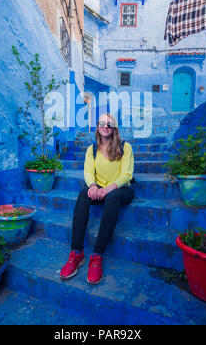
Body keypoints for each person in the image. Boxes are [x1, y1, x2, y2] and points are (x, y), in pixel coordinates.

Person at [60, 113, 135, 285]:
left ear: (114, 128)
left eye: (109, 124)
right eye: (102, 123)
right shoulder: (91, 149)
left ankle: (97, 256)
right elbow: (88, 172)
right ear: (97, 126)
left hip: (120, 190)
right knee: (83, 194)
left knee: (112, 197)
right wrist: (93, 186)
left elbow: (127, 174)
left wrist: (109, 188)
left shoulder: (125, 147)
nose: (105, 126)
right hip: (99, 189)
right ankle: (76, 254)